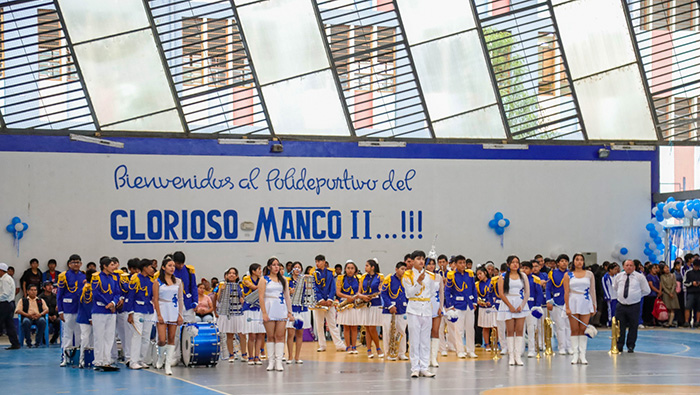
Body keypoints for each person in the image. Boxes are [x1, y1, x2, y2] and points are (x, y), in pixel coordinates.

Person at [404, 250, 435, 378]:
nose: (421, 261)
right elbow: (409, 293)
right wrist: (418, 282)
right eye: (418, 259)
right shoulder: (407, 275)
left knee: (425, 340)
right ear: (412, 261)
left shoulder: (430, 275)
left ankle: (424, 367)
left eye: (423, 259)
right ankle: (415, 368)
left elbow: (432, 292)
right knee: (415, 339)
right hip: (414, 309)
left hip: (426, 309)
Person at [259, 257, 293, 371]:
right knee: (270, 335)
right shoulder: (263, 280)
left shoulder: (283, 280)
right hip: (269, 308)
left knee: (280, 335)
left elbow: (287, 296)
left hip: (281, 308)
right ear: (269, 267)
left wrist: (290, 312)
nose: (276, 267)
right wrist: (264, 312)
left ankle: (279, 361)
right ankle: (271, 361)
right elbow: (261, 297)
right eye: (273, 265)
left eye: (278, 265)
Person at [153, 256, 184, 375]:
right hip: (162, 308)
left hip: (173, 309)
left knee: (172, 337)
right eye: (169, 266)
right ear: (163, 267)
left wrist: (180, 315)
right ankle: (161, 356)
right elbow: (155, 299)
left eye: (173, 266)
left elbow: (180, 299)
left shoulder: (178, 281)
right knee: (162, 339)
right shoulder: (157, 282)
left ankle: (168, 364)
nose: (172, 268)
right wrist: (159, 314)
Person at [563, 253, 596, 364]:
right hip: (573, 301)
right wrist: (567, 307)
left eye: (581, 260)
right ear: (573, 261)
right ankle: (575, 354)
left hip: (586, 301)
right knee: (574, 329)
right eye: (577, 259)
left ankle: (582, 355)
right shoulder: (568, 275)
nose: (579, 262)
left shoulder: (589, 274)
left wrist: (594, 305)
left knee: (583, 328)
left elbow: (592, 290)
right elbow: (566, 292)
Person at [497, 255, 530, 366]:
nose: (515, 264)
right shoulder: (502, 277)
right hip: (507, 303)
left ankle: (518, 355)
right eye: (513, 262)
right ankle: (511, 356)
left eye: (517, 262)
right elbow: (501, 293)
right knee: (510, 330)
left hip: (520, 303)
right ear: (508, 264)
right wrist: (510, 305)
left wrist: (522, 305)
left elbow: (527, 292)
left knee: (519, 330)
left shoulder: (523, 276)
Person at [613, 259, 650, 352]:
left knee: (633, 326)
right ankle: (619, 345)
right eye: (627, 265)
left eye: (631, 265)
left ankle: (631, 345)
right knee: (620, 326)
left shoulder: (640, 277)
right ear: (623, 267)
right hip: (621, 305)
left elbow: (646, 290)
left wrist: (637, 296)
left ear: (634, 267)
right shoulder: (618, 276)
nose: (629, 267)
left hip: (634, 305)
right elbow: (615, 287)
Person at [445, 255, 478, 359]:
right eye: (460, 263)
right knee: (458, 330)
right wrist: (450, 305)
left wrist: (475, 302)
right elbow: (447, 291)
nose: (463, 265)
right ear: (455, 264)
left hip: (469, 305)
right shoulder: (452, 275)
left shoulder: (470, 274)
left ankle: (470, 350)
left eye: (464, 262)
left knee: (470, 329)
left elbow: (474, 289)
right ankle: (460, 350)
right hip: (458, 306)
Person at [126, 259, 156, 370]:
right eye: (150, 267)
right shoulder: (135, 278)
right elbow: (131, 296)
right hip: (137, 310)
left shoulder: (151, 280)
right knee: (137, 335)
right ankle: (133, 361)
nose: (152, 269)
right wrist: (130, 313)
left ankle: (142, 359)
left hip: (148, 310)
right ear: (144, 267)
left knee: (146, 336)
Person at [91, 256, 120, 371]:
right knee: (99, 336)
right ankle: (98, 361)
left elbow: (117, 292)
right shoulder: (96, 277)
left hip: (111, 311)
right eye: (112, 265)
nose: (114, 267)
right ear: (105, 266)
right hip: (99, 311)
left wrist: (113, 302)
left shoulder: (114, 278)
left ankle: (107, 360)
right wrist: (107, 303)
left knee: (109, 336)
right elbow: (96, 293)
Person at [312, 254, 345, 352]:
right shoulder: (313, 274)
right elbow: (315, 288)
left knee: (332, 324)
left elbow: (332, 288)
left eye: (319, 261)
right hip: (319, 303)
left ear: (324, 262)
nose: (317, 264)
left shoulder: (330, 273)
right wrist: (321, 300)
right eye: (316, 262)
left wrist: (330, 299)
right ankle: (322, 345)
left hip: (329, 302)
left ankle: (339, 344)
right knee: (319, 324)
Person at [57, 254, 85, 365]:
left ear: (81, 264)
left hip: (80, 309)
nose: (76, 264)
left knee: (79, 334)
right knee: (67, 334)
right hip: (68, 309)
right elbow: (59, 295)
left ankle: (78, 357)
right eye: (73, 262)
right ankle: (65, 357)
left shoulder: (83, 276)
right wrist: (60, 311)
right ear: (69, 264)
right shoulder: (64, 276)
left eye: (78, 262)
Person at [215, 267, 245, 363]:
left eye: (233, 273)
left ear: (237, 276)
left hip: (238, 311)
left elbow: (243, 298)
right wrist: (221, 290)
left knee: (242, 333)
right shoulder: (222, 285)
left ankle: (244, 354)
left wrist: (242, 300)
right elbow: (218, 299)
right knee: (229, 334)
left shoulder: (240, 285)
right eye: (230, 273)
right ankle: (231, 355)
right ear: (227, 275)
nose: (231, 275)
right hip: (228, 312)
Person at [172, 251, 197, 362]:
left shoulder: (189, 271)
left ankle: (191, 354)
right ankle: (175, 356)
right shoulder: (170, 271)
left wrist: (195, 302)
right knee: (175, 331)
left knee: (191, 329)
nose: (180, 266)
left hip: (188, 303)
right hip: (175, 304)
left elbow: (193, 287)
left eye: (182, 264)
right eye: (178, 264)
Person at [546, 254, 572, 355]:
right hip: (557, 303)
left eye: (566, 261)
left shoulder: (571, 274)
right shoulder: (552, 273)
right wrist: (548, 300)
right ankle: (562, 347)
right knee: (560, 326)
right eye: (562, 261)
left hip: (569, 303)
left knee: (569, 326)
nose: (564, 263)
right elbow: (548, 288)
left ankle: (569, 346)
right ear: (557, 263)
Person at [286, 262, 311, 364]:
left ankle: (297, 357)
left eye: (299, 267)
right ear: (291, 270)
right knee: (290, 333)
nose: (297, 269)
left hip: (302, 308)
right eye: (295, 267)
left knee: (300, 333)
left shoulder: (304, 281)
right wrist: (289, 292)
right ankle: (290, 356)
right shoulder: (287, 281)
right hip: (291, 309)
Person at [358, 259, 384, 358]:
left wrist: (380, 291)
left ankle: (378, 347)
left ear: (372, 267)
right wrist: (363, 297)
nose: (365, 267)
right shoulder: (363, 277)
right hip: (365, 304)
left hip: (375, 303)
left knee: (373, 327)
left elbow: (382, 289)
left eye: (367, 265)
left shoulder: (380, 276)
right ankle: (369, 350)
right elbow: (358, 292)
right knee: (368, 328)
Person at [242, 263, 265, 365]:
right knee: (252, 334)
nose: (260, 271)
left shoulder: (262, 279)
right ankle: (250, 356)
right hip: (249, 309)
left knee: (260, 333)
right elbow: (256, 288)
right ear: (253, 271)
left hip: (259, 309)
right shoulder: (246, 279)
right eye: (259, 269)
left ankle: (257, 356)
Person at [336, 260, 361, 354]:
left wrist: (354, 297)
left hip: (355, 303)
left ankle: (354, 346)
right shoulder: (340, 278)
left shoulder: (359, 278)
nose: (350, 270)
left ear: (355, 270)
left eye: (352, 268)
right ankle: (348, 346)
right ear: (345, 269)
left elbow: (359, 291)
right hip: (344, 303)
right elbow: (338, 292)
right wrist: (347, 297)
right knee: (346, 326)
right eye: (348, 268)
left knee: (354, 326)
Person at [521, 261, 545, 358]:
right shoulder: (518, 279)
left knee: (531, 329)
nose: (524, 270)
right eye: (523, 268)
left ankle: (532, 349)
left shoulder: (535, 279)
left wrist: (537, 306)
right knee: (520, 331)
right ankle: (520, 349)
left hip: (531, 308)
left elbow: (539, 293)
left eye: (527, 268)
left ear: (531, 270)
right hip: (521, 308)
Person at [424, 256, 444, 367]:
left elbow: (442, 293)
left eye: (433, 264)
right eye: (429, 264)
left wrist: (441, 307)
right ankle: (426, 358)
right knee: (426, 332)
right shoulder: (422, 276)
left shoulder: (438, 277)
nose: (431, 266)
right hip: (425, 305)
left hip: (436, 305)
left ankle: (434, 358)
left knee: (435, 331)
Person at [77, 268, 96, 368]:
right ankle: (82, 359)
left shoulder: (93, 287)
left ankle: (91, 359)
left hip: (93, 317)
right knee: (85, 338)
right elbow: (87, 304)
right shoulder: (87, 289)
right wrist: (90, 318)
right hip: (85, 318)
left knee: (92, 338)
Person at [0, 263, 20, 350]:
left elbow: (5, 294)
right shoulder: (7, 278)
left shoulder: (5, 280)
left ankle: (15, 343)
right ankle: (15, 343)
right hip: (9, 304)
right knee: (9, 324)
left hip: (5, 304)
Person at [435, 254, 452, 356]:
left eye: (443, 262)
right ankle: (441, 348)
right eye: (440, 262)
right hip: (439, 303)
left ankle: (451, 345)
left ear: (447, 263)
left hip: (449, 302)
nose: (442, 264)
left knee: (451, 325)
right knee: (440, 326)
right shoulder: (436, 274)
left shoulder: (451, 273)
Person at [475, 266, 496, 351]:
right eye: (477, 274)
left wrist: (491, 301)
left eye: (480, 273)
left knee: (494, 326)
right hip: (482, 307)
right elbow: (476, 295)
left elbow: (495, 293)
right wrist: (478, 301)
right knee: (485, 326)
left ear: (485, 273)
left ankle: (494, 344)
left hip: (492, 307)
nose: (479, 276)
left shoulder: (492, 282)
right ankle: (487, 345)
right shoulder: (477, 284)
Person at [683, 260, 700, 328]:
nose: (697, 267)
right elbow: (684, 282)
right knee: (688, 307)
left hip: (699, 292)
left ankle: (697, 322)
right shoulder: (688, 272)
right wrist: (691, 283)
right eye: (696, 266)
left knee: (699, 308)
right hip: (690, 292)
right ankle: (687, 321)